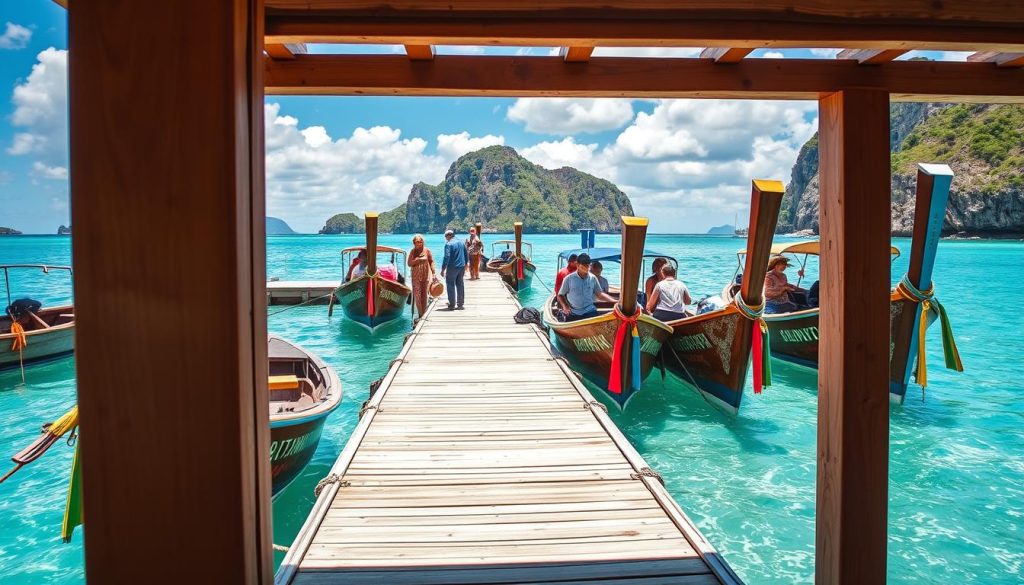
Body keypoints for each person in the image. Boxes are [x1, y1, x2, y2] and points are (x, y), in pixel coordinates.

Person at [557, 253, 616, 321]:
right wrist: (565, 306)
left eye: (588, 265)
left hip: (590, 311)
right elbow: (560, 295)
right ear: (578, 265)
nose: (587, 268)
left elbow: (600, 294)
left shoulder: (593, 278)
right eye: (584, 266)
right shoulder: (568, 279)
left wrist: (614, 301)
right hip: (573, 312)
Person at [408, 234, 436, 318]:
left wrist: (433, 273)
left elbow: (431, 261)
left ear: (423, 242)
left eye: (420, 242)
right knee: (417, 295)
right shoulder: (412, 251)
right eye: (416, 242)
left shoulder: (427, 251)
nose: (418, 243)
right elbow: (409, 263)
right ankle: (420, 313)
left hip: (425, 276)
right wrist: (418, 260)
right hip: (415, 276)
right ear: (414, 242)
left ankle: (423, 314)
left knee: (424, 295)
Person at [440, 228, 468, 310]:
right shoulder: (461, 242)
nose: (445, 238)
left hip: (452, 267)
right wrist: (466, 264)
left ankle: (452, 305)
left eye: (445, 236)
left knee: (450, 285)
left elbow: (446, 257)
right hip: (461, 266)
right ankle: (460, 304)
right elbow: (466, 254)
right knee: (460, 284)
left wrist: (443, 269)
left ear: (448, 236)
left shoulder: (448, 244)